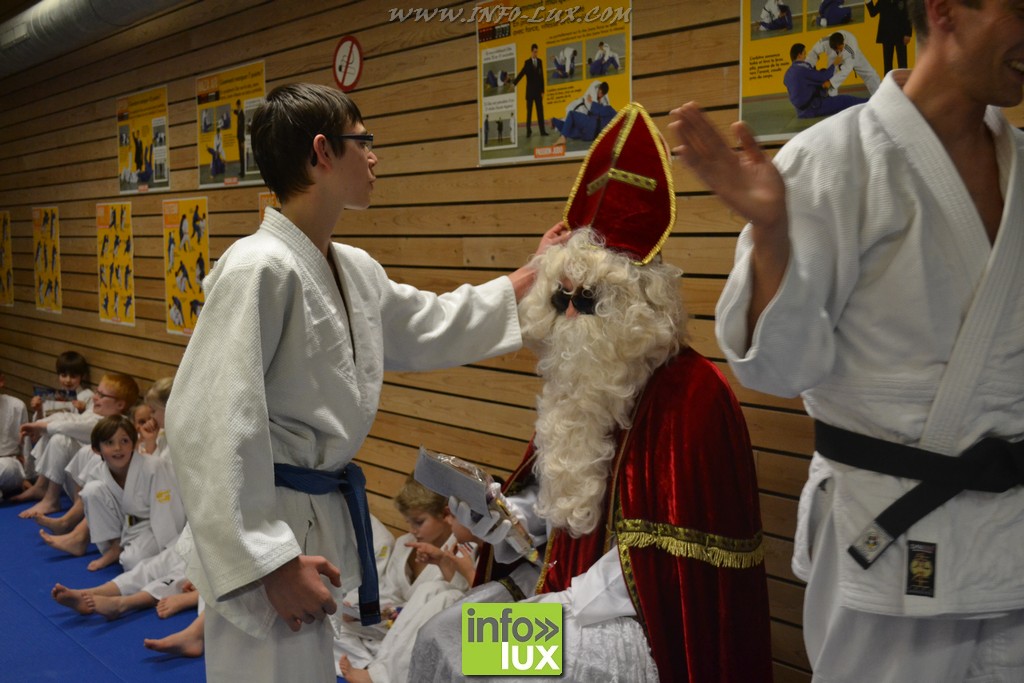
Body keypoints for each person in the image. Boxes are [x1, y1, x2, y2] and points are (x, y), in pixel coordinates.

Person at [165, 82, 568, 683]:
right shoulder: (257, 267)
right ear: (322, 153)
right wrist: (269, 562)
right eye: (363, 141)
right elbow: (204, 422)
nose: (374, 157)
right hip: (269, 527)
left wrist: (529, 277)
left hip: (307, 519)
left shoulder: (351, 268)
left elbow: (432, 323)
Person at [668, 0, 1024, 679]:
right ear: (945, 10)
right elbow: (777, 369)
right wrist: (772, 236)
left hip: (1014, 546)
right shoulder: (835, 160)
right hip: (892, 541)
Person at [411, 103, 773, 683]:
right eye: (563, 298)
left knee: (475, 656)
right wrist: (506, 519)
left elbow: (672, 577)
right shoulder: (582, 376)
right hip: (563, 600)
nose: (573, 316)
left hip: (635, 629)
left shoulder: (693, 396)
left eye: (590, 299)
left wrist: (559, 602)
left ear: (639, 302)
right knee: (441, 636)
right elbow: (558, 517)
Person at [50, 414, 188, 619]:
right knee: (91, 491)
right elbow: (95, 504)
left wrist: (168, 548)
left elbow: (166, 512)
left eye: (124, 441)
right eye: (109, 443)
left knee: (133, 562)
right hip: (127, 526)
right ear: (96, 449)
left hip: (153, 526)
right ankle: (113, 548)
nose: (118, 448)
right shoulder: (98, 470)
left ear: (134, 444)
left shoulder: (153, 467)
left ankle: (102, 593)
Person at [340, 500, 478, 683]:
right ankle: (377, 670)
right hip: (400, 628)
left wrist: (468, 572)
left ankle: (380, 676)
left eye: (453, 516)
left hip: (493, 641)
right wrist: (443, 562)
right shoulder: (406, 543)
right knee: (332, 626)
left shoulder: (487, 553)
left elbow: (485, 605)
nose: (449, 521)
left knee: (447, 596)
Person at [14, 372, 138, 520]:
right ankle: (40, 487)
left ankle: (51, 500)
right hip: (78, 481)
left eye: (101, 395)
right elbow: (69, 418)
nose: (95, 397)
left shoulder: (117, 425)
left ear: (120, 405)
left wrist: (41, 427)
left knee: (61, 439)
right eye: (96, 392)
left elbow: (73, 427)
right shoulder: (96, 413)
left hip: (91, 489)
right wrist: (38, 425)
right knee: (56, 431)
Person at [783, 42, 867, 118]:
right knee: (845, 100)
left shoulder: (788, 73)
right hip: (812, 108)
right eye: (804, 53)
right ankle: (869, 102)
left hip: (800, 112)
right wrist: (835, 64)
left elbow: (802, 84)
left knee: (822, 76)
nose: (805, 57)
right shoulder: (802, 69)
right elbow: (823, 76)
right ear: (799, 55)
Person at [807, 30, 882, 96]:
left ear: (843, 42)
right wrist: (808, 66)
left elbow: (847, 69)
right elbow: (813, 52)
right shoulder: (825, 42)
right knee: (831, 76)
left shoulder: (851, 46)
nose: (838, 51)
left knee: (870, 74)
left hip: (852, 56)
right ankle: (832, 100)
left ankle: (879, 96)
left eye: (840, 48)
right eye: (836, 49)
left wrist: (831, 82)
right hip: (833, 57)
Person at [552, 80, 614, 145]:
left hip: (590, 119)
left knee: (576, 128)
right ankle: (557, 126)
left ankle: (556, 124)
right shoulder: (594, 86)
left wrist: (594, 103)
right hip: (582, 107)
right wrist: (597, 105)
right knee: (569, 118)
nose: (600, 96)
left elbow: (599, 109)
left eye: (602, 95)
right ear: (599, 88)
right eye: (599, 93)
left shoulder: (605, 98)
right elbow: (597, 108)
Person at [0, 369, 28, 500]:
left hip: (8, 464)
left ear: (1, 381)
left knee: (7, 467)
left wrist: (27, 476)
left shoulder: (16, 406)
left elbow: (26, 446)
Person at [866, 0, 913, 72]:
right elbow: (873, 13)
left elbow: (909, 15)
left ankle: (904, 79)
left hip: (901, 34)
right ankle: (888, 79)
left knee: (902, 63)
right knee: (887, 64)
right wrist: (868, 1)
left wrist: (908, 33)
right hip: (886, 35)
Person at [513, 44, 547, 137]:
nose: (536, 53)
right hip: (530, 93)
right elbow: (521, 73)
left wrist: (543, 91)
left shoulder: (540, 61)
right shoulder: (527, 63)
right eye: (534, 52)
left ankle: (542, 131)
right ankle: (528, 131)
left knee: (540, 112)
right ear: (531, 51)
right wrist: (514, 83)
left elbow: (542, 77)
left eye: (537, 52)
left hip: (538, 92)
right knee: (529, 113)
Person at [233, 98, 246, 176]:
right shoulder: (239, 113)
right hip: (239, 137)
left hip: (241, 139)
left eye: (237, 106)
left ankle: (243, 172)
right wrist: (233, 111)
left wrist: (242, 141)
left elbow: (242, 128)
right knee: (240, 155)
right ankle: (242, 171)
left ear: (239, 105)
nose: (237, 107)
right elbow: (235, 112)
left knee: (242, 155)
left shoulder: (242, 115)